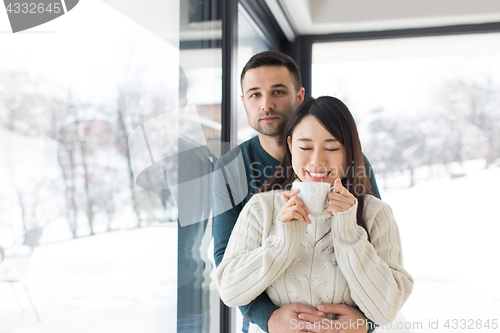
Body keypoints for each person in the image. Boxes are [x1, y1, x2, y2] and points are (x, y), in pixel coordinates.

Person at [213, 51, 381, 333]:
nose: (266, 104)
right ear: (243, 102)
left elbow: (378, 245)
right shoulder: (231, 169)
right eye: (254, 95)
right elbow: (225, 260)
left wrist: (366, 322)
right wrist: (268, 318)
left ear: (300, 96)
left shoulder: (354, 164)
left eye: (278, 91)